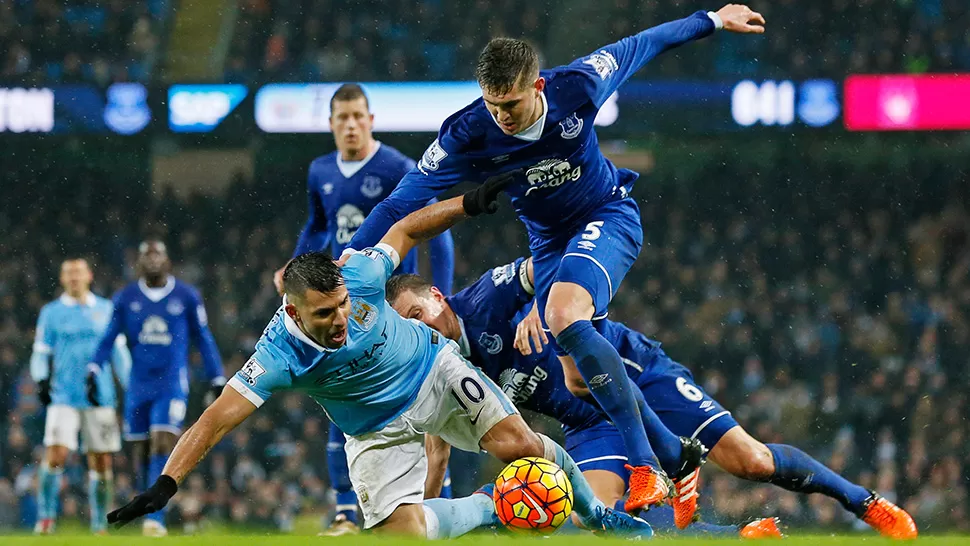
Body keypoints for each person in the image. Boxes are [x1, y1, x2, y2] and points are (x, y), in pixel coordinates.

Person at [344, 4, 766, 526]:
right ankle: (679, 463)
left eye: (513, 103)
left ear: (538, 86)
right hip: (549, 246)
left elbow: (644, 43)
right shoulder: (468, 132)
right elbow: (401, 203)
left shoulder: (578, 87)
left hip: (605, 214)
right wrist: (344, 261)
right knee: (577, 380)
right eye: (494, 104)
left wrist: (713, 19)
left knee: (565, 318)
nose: (502, 115)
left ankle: (645, 467)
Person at [107, 189, 652, 538]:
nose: (340, 317)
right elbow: (216, 418)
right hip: (373, 429)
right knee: (404, 534)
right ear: (293, 310)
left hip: (433, 371)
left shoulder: (361, 275)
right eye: (324, 314)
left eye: (343, 304)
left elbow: (408, 230)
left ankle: (601, 517)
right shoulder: (277, 354)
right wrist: (166, 484)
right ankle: (490, 509)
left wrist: (470, 202)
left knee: (524, 448)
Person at [385, 258, 919, 540]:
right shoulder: (442, 364)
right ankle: (741, 536)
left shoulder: (485, 297)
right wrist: (427, 515)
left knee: (752, 463)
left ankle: (863, 502)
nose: (418, 327)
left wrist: (536, 308)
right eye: (406, 327)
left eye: (417, 314)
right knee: (589, 513)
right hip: (589, 423)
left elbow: (552, 261)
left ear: (435, 296)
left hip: (629, 370)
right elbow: (437, 445)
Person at [271, 83, 457, 535]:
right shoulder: (320, 171)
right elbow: (318, 225)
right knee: (342, 400)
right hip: (342, 307)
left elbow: (439, 232)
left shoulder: (396, 166)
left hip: (391, 302)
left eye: (358, 116)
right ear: (331, 124)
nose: (351, 125)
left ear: (370, 121)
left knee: (421, 404)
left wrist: (440, 301)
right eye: (342, 118)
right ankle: (345, 513)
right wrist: (294, 269)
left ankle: (441, 503)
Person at [88, 240, 225, 536]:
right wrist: (94, 367)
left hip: (171, 383)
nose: (152, 261)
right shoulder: (126, 298)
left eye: (157, 255)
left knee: (163, 441)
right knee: (141, 451)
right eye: (146, 256)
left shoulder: (186, 296)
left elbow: (203, 337)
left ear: (168, 261)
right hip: (138, 385)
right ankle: (143, 509)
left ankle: (156, 520)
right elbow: (109, 337)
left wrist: (216, 377)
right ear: (138, 263)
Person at [29, 258, 132, 535]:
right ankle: (46, 517)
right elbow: (41, 352)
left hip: (101, 398)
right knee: (57, 453)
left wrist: (131, 386)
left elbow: (119, 353)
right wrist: (40, 379)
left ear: (89, 275)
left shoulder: (106, 309)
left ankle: (99, 522)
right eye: (69, 274)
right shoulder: (51, 313)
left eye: (78, 273)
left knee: (101, 460)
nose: (74, 278)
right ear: (63, 279)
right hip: (63, 396)